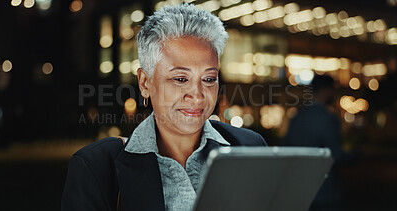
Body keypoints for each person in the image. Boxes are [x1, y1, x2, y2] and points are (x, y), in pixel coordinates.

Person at [61, 4, 266, 211]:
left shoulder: (249, 148)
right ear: (145, 83)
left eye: (209, 78)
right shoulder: (95, 167)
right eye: (180, 78)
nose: (197, 95)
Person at [283, 74, 345, 211]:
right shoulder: (328, 119)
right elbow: (336, 155)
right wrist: (356, 155)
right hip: (325, 188)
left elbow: (286, 148)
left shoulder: (298, 116)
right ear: (326, 90)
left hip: (299, 188)